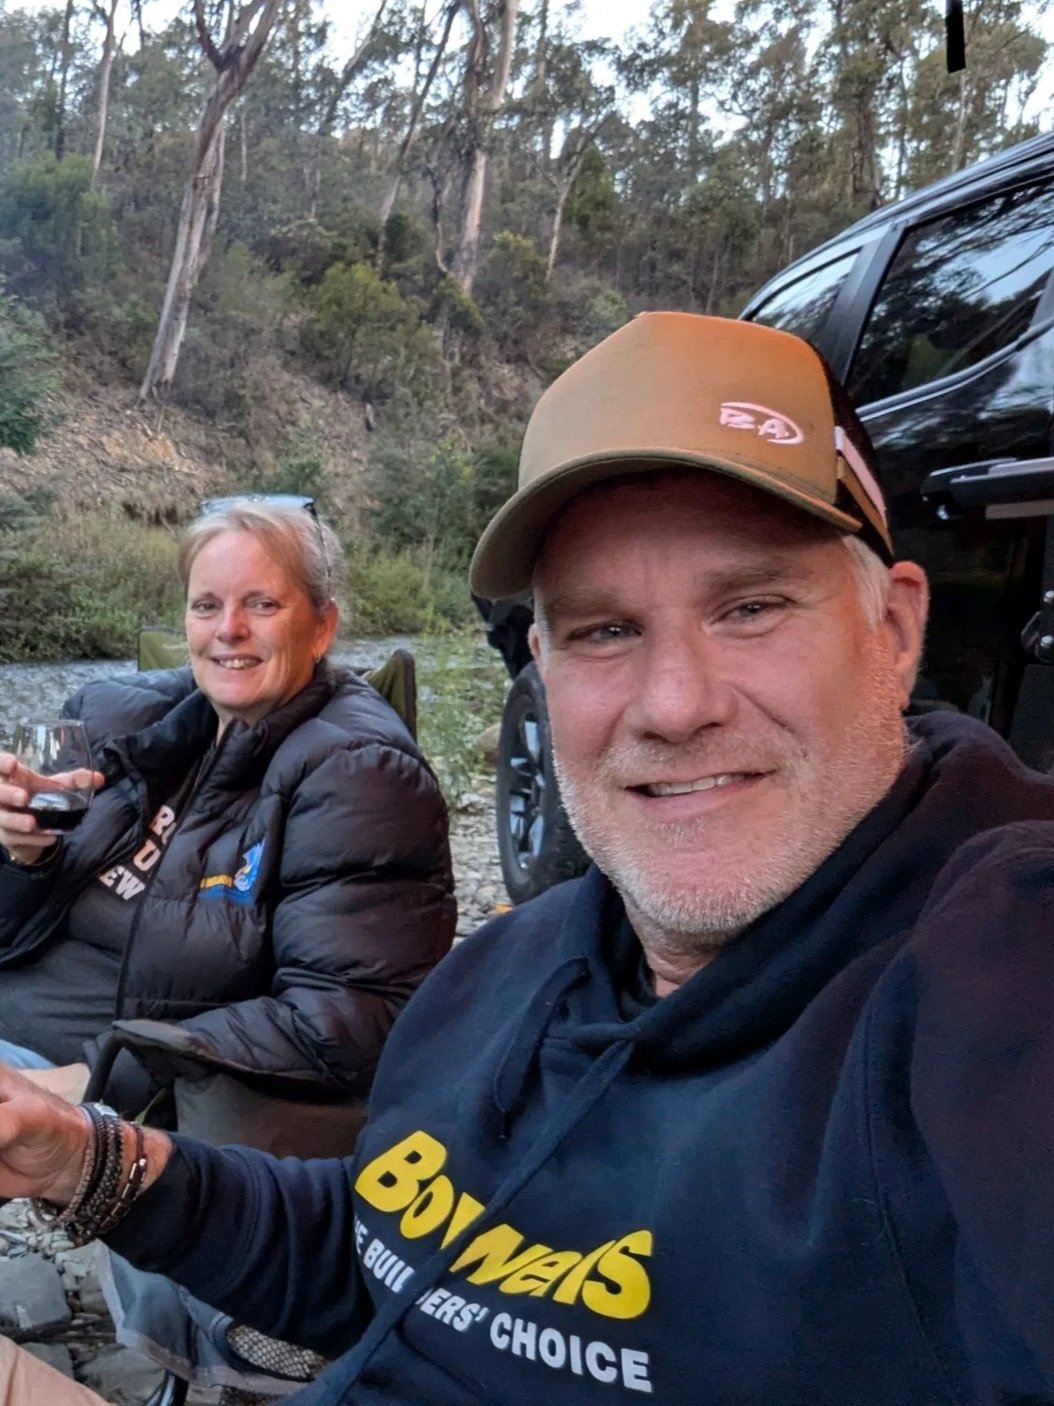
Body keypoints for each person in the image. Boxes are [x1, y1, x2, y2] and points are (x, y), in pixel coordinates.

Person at [0, 314, 1052, 1406]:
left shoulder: (993, 961)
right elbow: (393, 1260)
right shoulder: (514, 968)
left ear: (893, 626)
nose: (675, 702)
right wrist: (74, 1154)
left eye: (750, 606)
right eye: (603, 629)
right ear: (541, 666)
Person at [0, 495, 456, 1113]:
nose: (228, 630)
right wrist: (25, 858)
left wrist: (96, 1076)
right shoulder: (117, 718)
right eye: (206, 605)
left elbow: (349, 1015)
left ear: (321, 626)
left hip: (83, 1074)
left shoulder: (359, 773)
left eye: (262, 605)